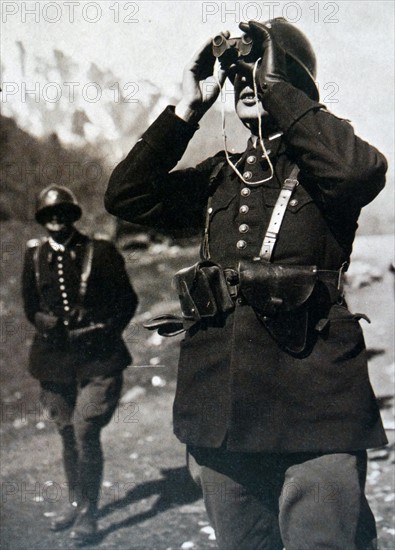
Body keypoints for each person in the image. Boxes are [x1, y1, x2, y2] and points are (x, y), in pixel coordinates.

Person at [105, 18, 388, 550]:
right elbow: (126, 197)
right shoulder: (222, 173)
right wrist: (187, 110)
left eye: (261, 81)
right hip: (223, 401)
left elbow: (358, 172)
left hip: (314, 401)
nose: (247, 89)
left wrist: (279, 84)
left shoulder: (328, 170)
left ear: (295, 89)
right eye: (242, 85)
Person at [22, 185, 138, 544]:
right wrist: (42, 321)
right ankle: (75, 501)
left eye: (63, 214)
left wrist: (103, 329)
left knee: (86, 430)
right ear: (42, 220)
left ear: (74, 216)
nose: (56, 221)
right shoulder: (34, 255)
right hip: (53, 359)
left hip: (98, 358)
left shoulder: (100, 252)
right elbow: (29, 303)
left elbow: (127, 301)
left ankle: (89, 515)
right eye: (49, 216)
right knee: (67, 433)